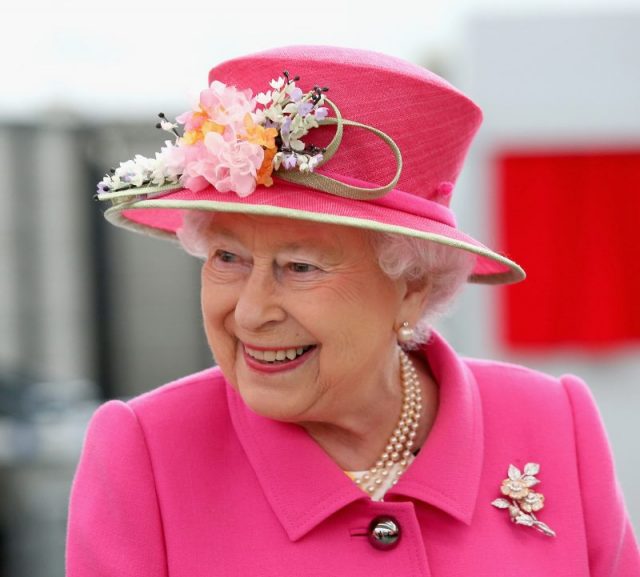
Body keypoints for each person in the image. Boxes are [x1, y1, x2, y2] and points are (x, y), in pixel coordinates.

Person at [66, 45, 639, 576]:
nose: (250, 313)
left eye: (301, 267)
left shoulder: (553, 422)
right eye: (228, 257)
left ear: (411, 287)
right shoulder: (146, 452)